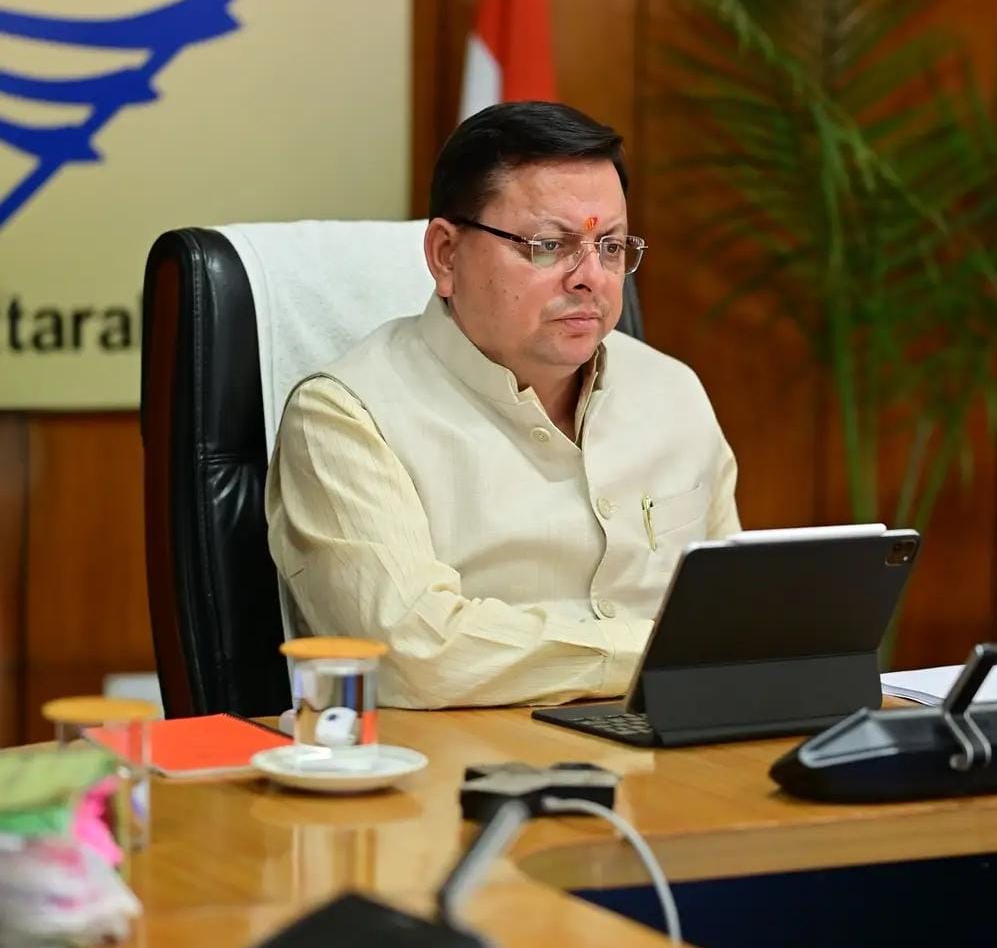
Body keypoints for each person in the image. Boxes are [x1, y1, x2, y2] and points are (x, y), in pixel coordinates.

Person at [266, 102, 739, 708]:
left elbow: (734, 609)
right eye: (550, 245)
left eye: (611, 246)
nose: (590, 277)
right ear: (445, 255)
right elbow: (413, 655)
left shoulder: (673, 391)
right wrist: (657, 650)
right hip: (465, 760)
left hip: (681, 744)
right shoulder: (346, 417)